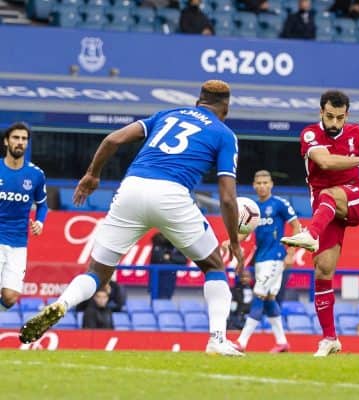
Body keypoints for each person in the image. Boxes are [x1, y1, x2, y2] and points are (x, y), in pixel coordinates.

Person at [19, 80, 245, 356]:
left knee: (96, 273)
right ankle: (217, 339)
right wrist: (234, 240)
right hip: (172, 194)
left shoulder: (167, 115)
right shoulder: (224, 134)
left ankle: (62, 304)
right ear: (226, 108)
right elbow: (227, 197)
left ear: (199, 101)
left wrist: (92, 174)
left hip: (131, 188)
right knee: (214, 266)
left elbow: (113, 139)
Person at [280, 90, 359, 357]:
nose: (334, 123)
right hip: (326, 211)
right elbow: (325, 162)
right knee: (323, 271)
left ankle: (310, 234)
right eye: (330, 116)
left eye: (340, 118)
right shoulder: (309, 134)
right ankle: (330, 339)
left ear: (346, 115)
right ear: (321, 112)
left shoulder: (357, 132)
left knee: (329, 195)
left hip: (354, 200)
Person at [233, 170, 302, 353]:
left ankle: (241, 342)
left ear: (271, 184)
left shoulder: (280, 204)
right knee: (269, 297)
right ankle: (282, 342)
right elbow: (246, 231)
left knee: (259, 294)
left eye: (265, 182)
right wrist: (232, 241)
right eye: (259, 183)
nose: (262, 186)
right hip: (260, 259)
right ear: (254, 186)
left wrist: (291, 252)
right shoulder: (253, 208)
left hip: (276, 258)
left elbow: (296, 226)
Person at [0, 122, 47, 313]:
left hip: (19, 243)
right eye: (15, 138)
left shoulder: (35, 174)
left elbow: (42, 205)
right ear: (6, 141)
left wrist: (40, 222)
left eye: (24, 139)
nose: (20, 142)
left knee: (10, 298)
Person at [150, 232, 188, 299]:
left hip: (169, 279)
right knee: (155, 300)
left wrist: (170, 257)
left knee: (166, 300)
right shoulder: (158, 241)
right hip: (157, 278)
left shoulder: (177, 245)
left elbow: (183, 260)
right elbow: (157, 257)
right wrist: (170, 259)